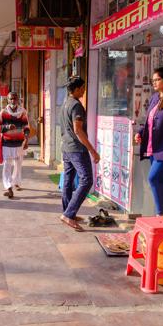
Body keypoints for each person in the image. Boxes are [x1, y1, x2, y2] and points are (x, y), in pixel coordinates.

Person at [134, 67, 163, 216]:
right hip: (153, 147)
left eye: (157, 80)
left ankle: (160, 214)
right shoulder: (155, 97)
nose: (154, 82)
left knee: (153, 178)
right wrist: (140, 133)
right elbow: (148, 119)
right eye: (152, 80)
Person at [60, 76, 100, 231]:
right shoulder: (76, 105)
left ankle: (68, 212)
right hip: (76, 149)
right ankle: (68, 214)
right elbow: (78, 130)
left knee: (68, 181)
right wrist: (92, 150)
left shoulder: (65, 103)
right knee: (87, 180)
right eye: (82, 88)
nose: (84, 90)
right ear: (76, 89)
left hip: (66, 147)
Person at [0, 92, 30, 199]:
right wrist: (7, 127)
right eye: (11, 99)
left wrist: (26, 140)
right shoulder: (3, 112)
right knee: (7, 165)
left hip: (19, 143)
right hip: (7, 143)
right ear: (8, 100)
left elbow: (26, 127)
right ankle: (9, 187)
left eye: (14, 99)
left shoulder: (23, 112)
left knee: (18, 165)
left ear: (18, 100)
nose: (13, 101)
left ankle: (15, 182)